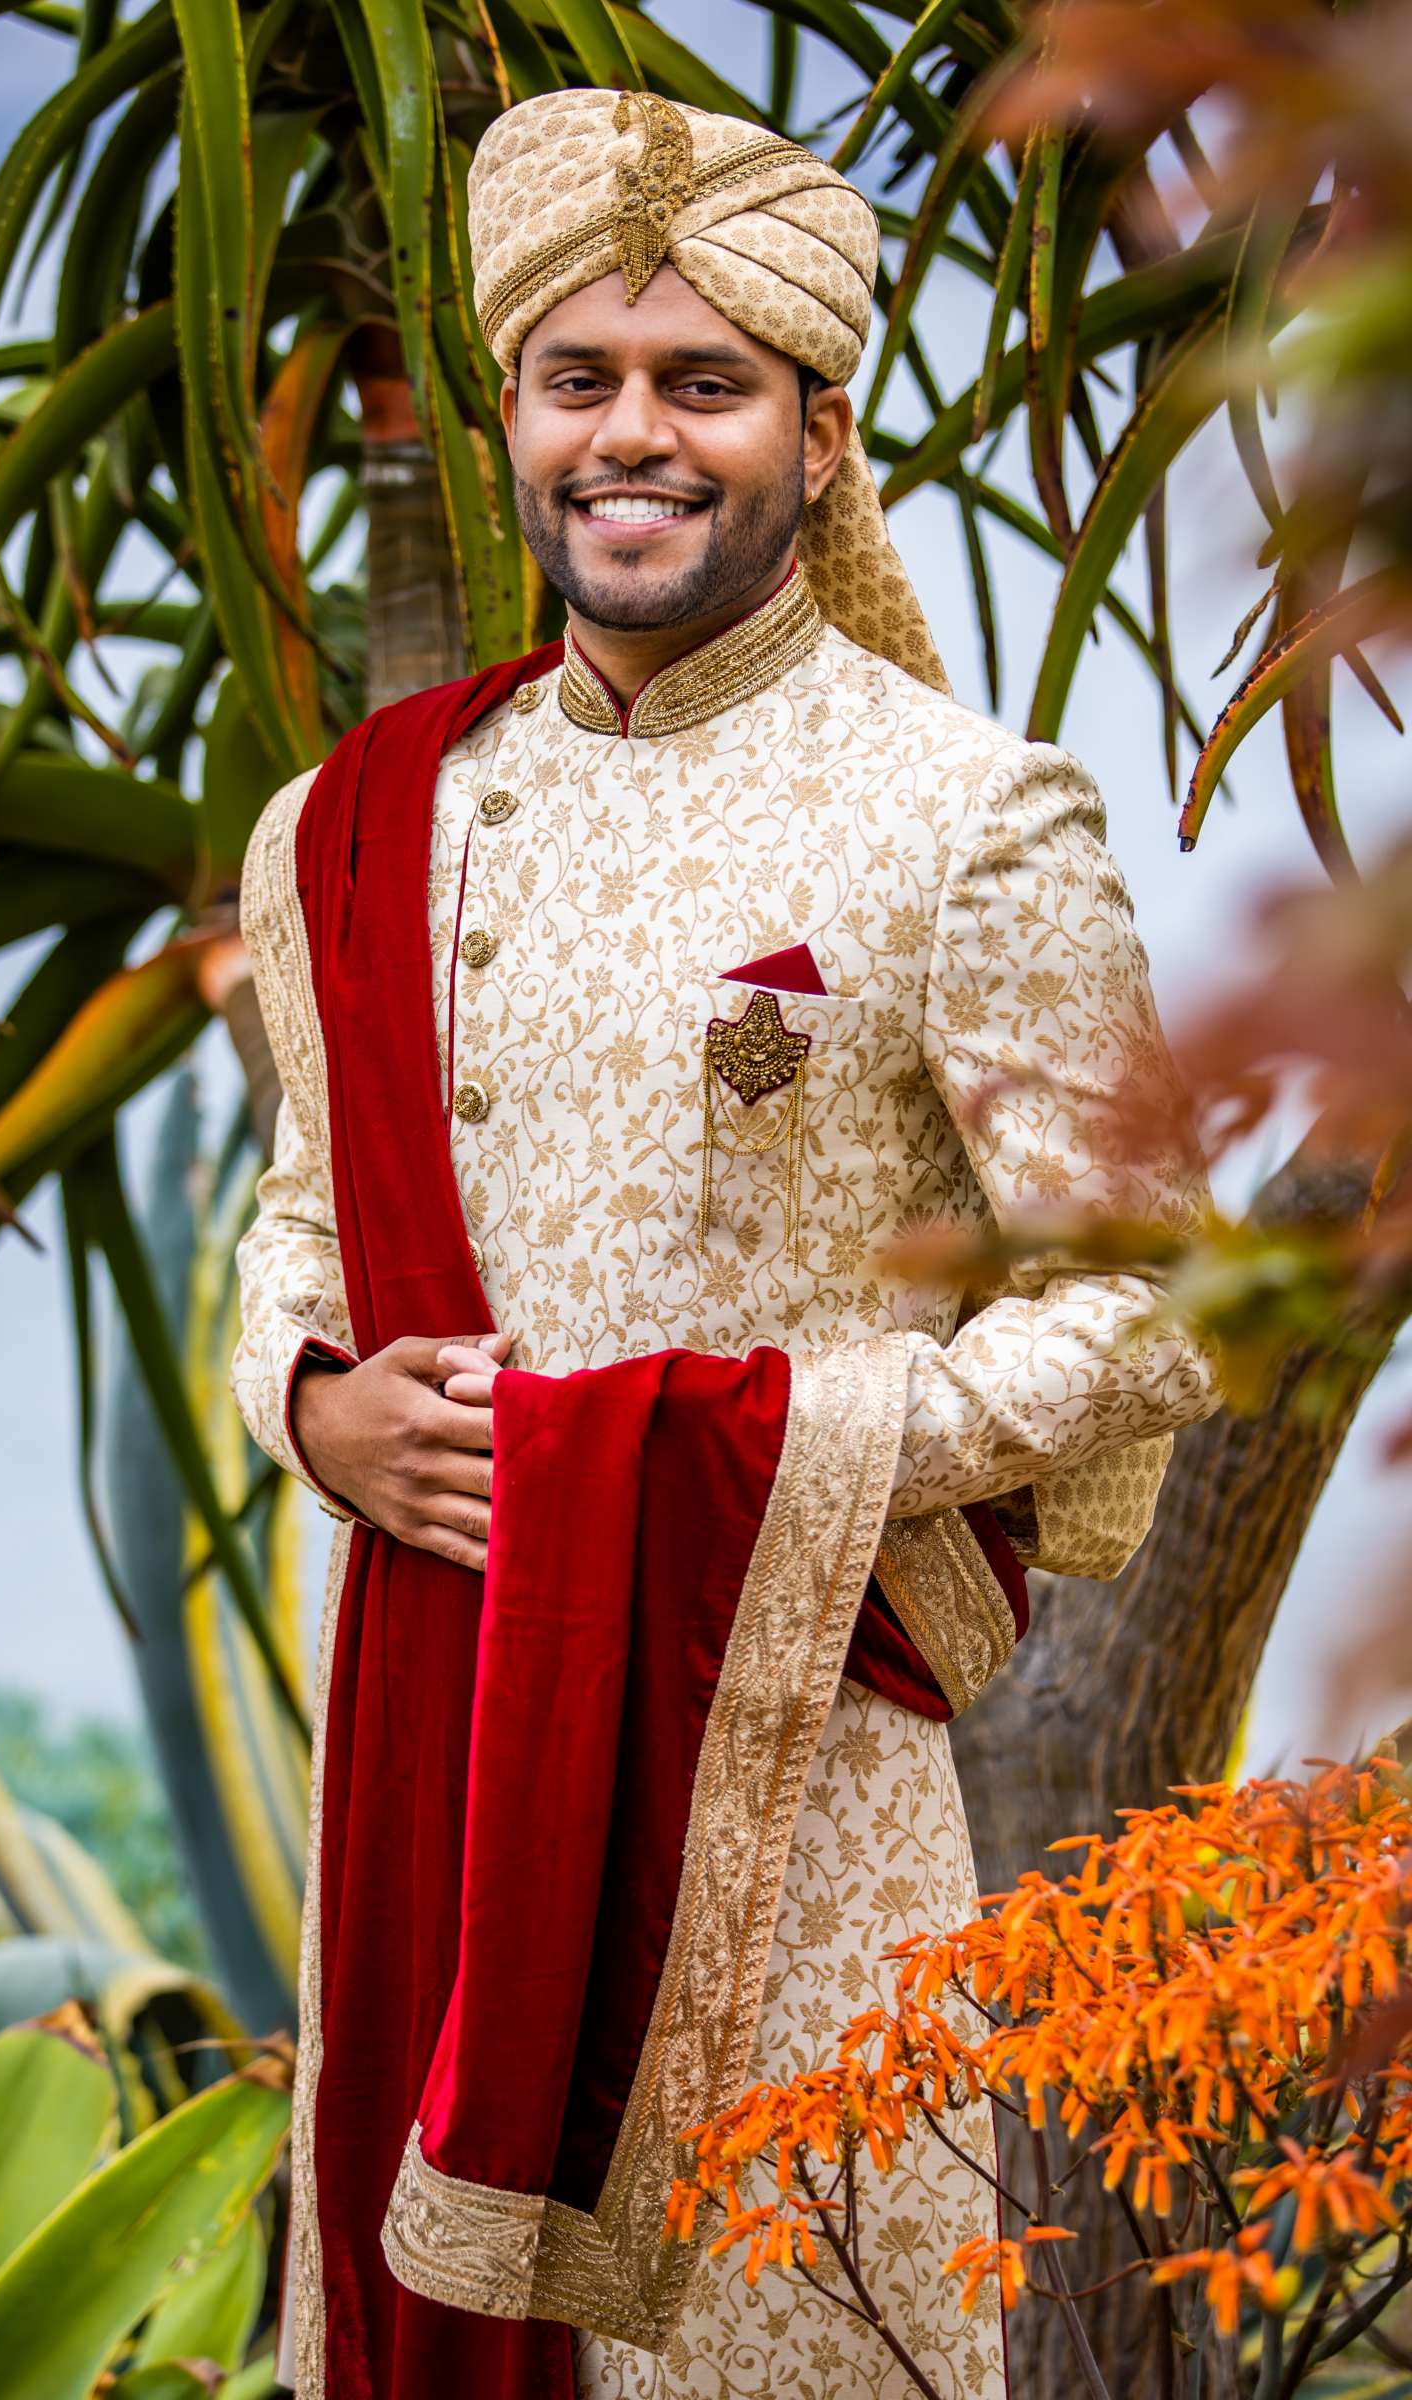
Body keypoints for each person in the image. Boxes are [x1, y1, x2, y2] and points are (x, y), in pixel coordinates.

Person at [231, 86, 1223, 2400]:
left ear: (817, 426)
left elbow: (1155, 1296)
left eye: (704, 383)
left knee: (781, 2334)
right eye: (580, 381)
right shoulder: (360, 828)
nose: (634, 439)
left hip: (787, 1779)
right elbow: (302, 1221)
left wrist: (760, 1448)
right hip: (442, 1748)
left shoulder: (956, 815)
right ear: (509, 418)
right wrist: (312, 1403)